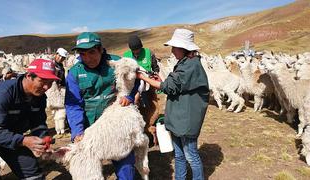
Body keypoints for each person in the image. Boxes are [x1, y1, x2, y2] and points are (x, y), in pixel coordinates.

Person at [137, 29, 210, 180]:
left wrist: (143, 77)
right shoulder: (185, 63)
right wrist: (159, 78)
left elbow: (168, 87)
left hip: (187, 118)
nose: (172, 50)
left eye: (175, 47)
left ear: (184, 48)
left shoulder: (190, 66)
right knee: (179, 154)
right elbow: (176, 85)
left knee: (191, 155)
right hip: (180, 117)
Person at [65, 32, 138, 179]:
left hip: (116, 123)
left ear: (100, 49)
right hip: (89, 126)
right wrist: (77, 130)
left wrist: (129, 96)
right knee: (88, 167)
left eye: (92, 52)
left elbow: (134, 81)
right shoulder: (75, 73)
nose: (87, 58)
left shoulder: (117, 63)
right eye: (82, 54)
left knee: (125, 163)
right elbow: (73, 104)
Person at [0, 59, 60, 180]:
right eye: (42, 81)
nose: (46, 87)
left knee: (33, 172)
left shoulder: (39, 96)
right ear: (29, 76)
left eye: (50, 83)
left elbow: (38, 122)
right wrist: (23, 141)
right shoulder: (3, 94)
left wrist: (42, 139)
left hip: (12, 137)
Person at [123, 35, 161, 145]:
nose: (136, 52)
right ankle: (137, 131)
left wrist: (154, 74)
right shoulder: (126, 56)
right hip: (133, 86)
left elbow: (155, 67)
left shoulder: (148, 53)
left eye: (138, 49)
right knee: (135, 107)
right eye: (134, 50)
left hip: (148, 84)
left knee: (151, 107)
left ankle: (150, 129)